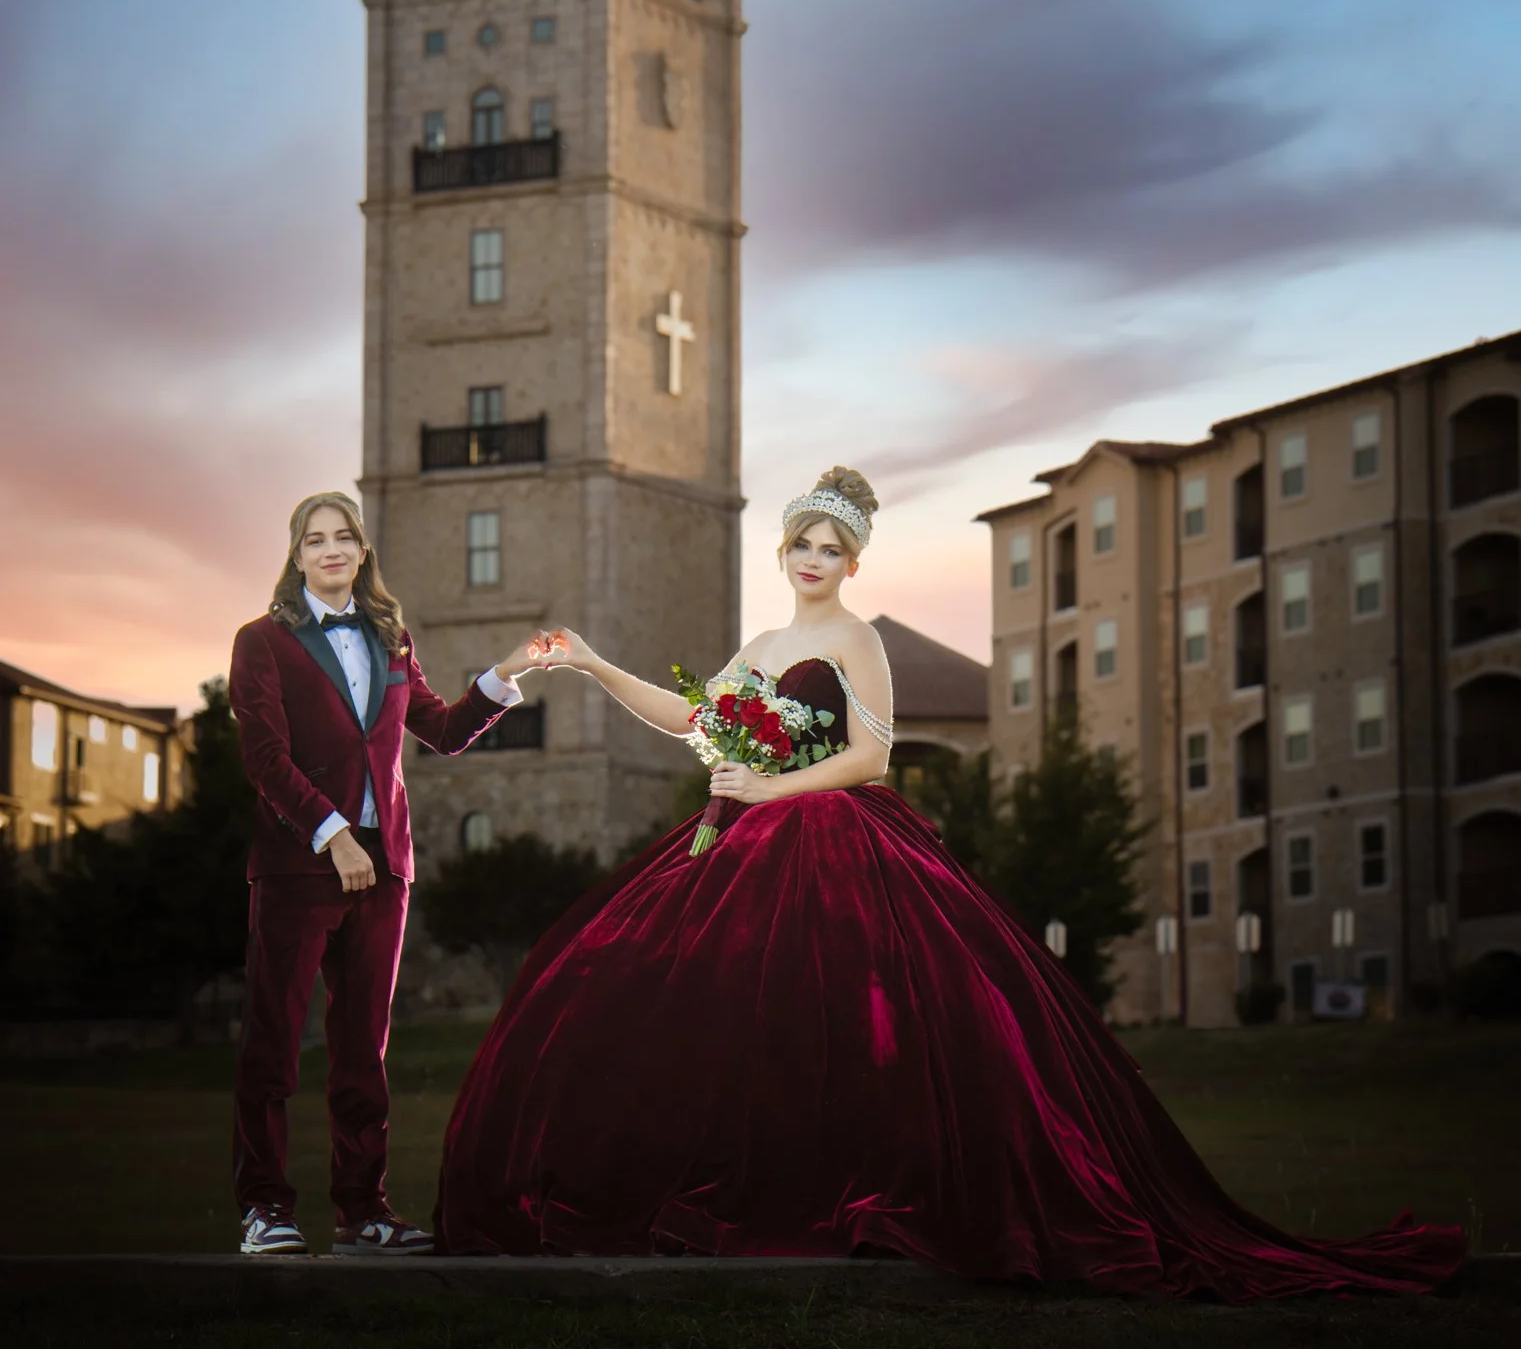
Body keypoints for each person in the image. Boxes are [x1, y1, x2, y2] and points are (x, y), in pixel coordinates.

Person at [433, 466, 1465, 1298]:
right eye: (801, 543)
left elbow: (874, 759)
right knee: (667, 994)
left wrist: (774, 781)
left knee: (859, 1021)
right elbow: (695, 719)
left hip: (830, 834)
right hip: (738, 828)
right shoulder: (764, 642)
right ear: (783, 548)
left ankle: (863, 1196)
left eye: (831, 548)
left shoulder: (855, 638)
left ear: (852, 560)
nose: (813, 560)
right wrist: (590, 661)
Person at [228, 489, 531, 1258]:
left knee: (365, 1050)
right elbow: (265, 759)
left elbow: (443, 731)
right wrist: (333, 835)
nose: (331, 550)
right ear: (296, 555)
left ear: (362, 552)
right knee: (274, 1043)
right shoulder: (261, 641)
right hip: (301, 862)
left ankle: (364, 1215)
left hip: (385, 867)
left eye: (344, 538)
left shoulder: (392, 638)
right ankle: (264, 1209)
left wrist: (504, 675)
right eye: (314, 539)